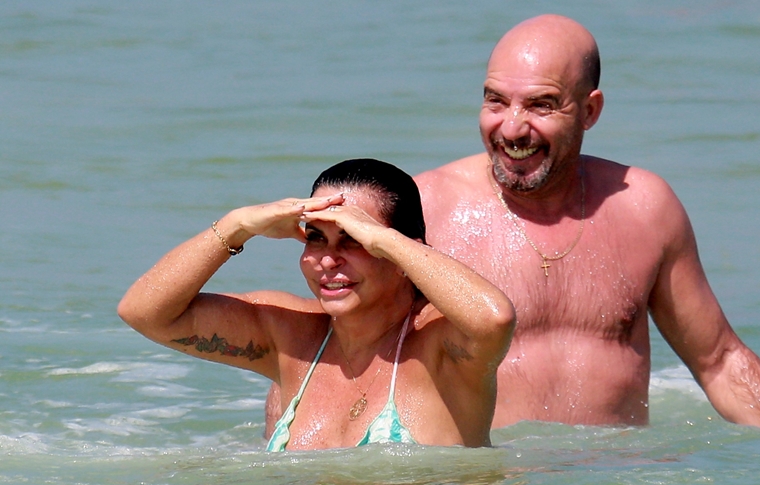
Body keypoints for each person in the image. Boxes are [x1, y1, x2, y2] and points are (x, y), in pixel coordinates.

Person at [411, 14, 760, 430]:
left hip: (615, 480)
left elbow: (719, 361)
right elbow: (349, 356)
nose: (511, 128)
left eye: (541, 105)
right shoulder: (425, 209)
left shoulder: (645, 208)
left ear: (590, 110)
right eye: (496, 100)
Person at [118, 159, 515, 451]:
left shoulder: (441, 346)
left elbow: (495, 319)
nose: (327, 260)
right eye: (316, 238)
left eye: (353, 240)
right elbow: (145, 312)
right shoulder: (292, 338)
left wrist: (385, 240)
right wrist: (237, 224)